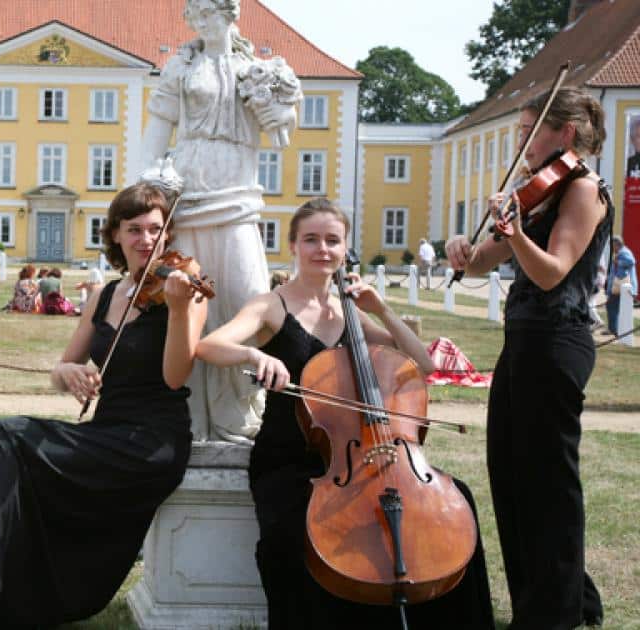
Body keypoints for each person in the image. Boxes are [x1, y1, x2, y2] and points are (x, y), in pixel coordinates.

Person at [0, 182, 207, 629]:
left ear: (168, 235)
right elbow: (63, 367)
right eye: (134, 229)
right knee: (1, 445)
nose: (145, 240)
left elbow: (176, 376)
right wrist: (68, 376)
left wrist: (178, 311)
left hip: (152, 442)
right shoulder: (104, 296)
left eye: (156, 230)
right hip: (106, 430)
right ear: (116, 235)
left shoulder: (184, 291)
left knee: (5, 437)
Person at [197, 198, 494, 629]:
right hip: (289, 456)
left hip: (363, 456)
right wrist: (252, 354)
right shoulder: (270, 306)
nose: (322, 249)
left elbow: (424, 366)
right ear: (293, 245)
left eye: (332, 240)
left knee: (455, 500)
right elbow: (208, 346)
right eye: (311, 239)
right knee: (288, 535)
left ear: (345, 248)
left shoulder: (350, 311)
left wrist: (382, 309)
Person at [446, 87, 609, 629]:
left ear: (563, 133)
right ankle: (550, 603)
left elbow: (551, 271)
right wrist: (462, 251)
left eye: (526, 130)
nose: (519, 141)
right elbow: (479, 263)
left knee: (548, 486)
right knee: (511, 477)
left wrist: (513, 231)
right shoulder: (540, 192)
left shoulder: (583, 190)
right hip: (524, 341)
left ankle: (554, 613)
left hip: (558, 341)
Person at [140, 0, 303, 442]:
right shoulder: (181, 66)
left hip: (237, 203)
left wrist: (276, 107)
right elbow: (156, 133)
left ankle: (240, 414)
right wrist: (142, 198)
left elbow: (283, 131)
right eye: (198, 15)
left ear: (232, 16)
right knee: (189, 312)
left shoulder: (258, 69)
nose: (206, 23)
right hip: (189, 201)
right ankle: (188, 418)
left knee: (246, 303)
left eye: (215, 13)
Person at [606, 235, 636, 335]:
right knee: (612, 306)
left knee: (612, 306)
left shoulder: (624, 252)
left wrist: (618, 262)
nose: (612, 247)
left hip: (621, 286)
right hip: (619, 287)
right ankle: (613, 329)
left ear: (616, 244)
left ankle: (614, 330)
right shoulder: (621, 252)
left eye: (612, 244)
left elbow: (631, 262)